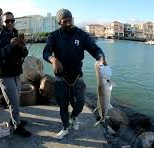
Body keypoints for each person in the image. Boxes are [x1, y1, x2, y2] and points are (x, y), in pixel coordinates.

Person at [43, 9, 107, 139]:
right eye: (64, 21)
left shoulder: (81, 35)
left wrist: (101, 57)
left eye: (69, 20)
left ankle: (74, 117)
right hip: (60, 76)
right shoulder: (54, 36)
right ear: (59, 23)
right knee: (63, 104)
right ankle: (65, 127)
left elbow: (95, 49)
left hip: (77, 74)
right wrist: (53, 59)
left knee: (81, 102)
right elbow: (46, 52)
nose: (68, 23)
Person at [0, 12, 31, 137]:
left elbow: (24, 54)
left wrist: (23, 47)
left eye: (12, 20)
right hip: (4, 73)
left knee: (16, 99)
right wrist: (10, 46)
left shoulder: (16, 34)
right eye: (7, 21)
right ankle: (17, 126)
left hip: (16, 72)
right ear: (2, 22)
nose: (10, 23)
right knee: (13, 100)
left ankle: (14, 120)